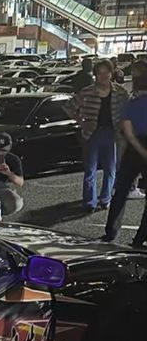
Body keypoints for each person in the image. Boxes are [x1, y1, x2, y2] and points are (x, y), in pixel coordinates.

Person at [68, 59, 128, 212]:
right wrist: (82, 122)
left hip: (112, 133)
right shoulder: (88, 91)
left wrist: (123, 125)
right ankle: (89, 202)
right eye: (99, 73)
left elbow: (128, 109)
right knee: (90, 169)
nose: (103, 76)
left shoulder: (120, 92)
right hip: (91, 133)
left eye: (106, 72)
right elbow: (69, 107)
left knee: (110, 169)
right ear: (95, 75)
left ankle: (105, 198)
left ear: (111, 73)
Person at [103, 83, 147, 245]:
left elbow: (127, 131)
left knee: (121, 191)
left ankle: (111, 231)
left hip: (133, 148)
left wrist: (139, 149)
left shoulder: (132, 104)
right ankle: (140, 237)